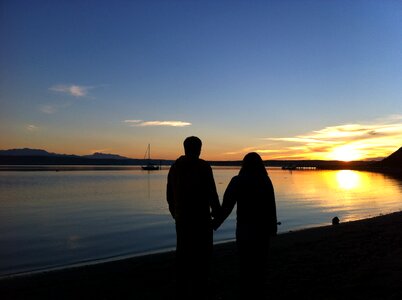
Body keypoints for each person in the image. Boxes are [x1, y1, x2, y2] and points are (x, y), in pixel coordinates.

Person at [215, 152, 277, 297]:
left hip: (245, 229)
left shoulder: (238, 180)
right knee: (260, 263)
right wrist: (273, 227)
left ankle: (247, 291)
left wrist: (215, 223)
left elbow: (227, 206)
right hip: (262, 229)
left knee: (245, 263)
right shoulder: (265, 180)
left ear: (244, 164)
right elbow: (271, 206)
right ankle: (258, 290)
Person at [166, 136, 221, 299]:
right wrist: (217, 212)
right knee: (203, 255)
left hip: (182, 218)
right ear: (198, 149)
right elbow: (212, 192)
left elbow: (169, 195)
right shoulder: (203, 167)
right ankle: (199, 287)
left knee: (183, 252)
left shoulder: (174, 167)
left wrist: (175, 213)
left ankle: (183, 287)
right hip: (200, 219)